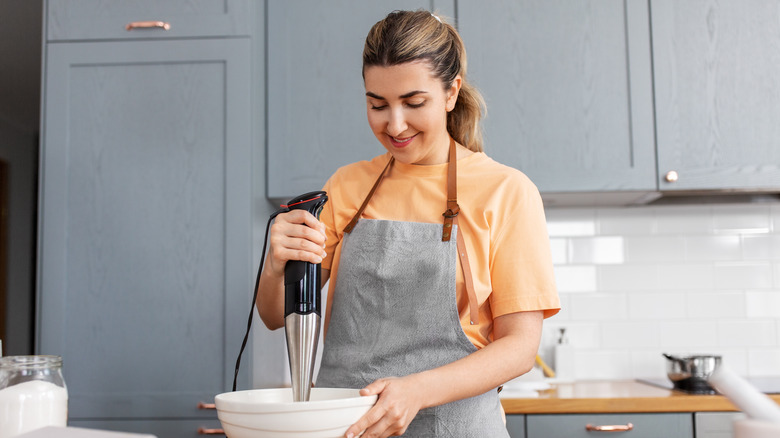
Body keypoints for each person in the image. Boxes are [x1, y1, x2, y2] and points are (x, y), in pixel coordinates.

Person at [256, 9, 560, 438]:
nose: (394, 125)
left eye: (414, 103)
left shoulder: (505, 191)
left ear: (451, 92)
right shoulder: (346, 186)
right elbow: (274, 316)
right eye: (377, 105)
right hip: (348, 427)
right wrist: (275, 264)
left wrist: (416, 391)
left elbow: (519, 349)